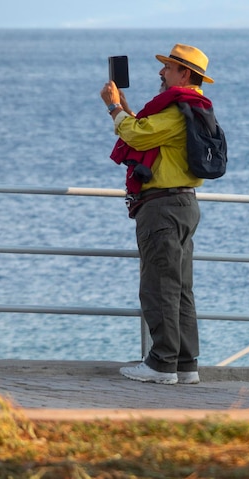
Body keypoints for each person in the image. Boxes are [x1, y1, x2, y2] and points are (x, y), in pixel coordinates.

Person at [100, 44, 216, 385]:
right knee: (180, 288)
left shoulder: (177, 111)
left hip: (163, 207)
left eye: (168, 67)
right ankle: (185, 363)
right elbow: (147, 135)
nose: (161, 73)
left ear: (185, 73)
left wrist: (112, 107)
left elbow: (136, 134)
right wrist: (123, 108)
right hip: (183, 205)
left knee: (158, 286)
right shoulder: (193, 109)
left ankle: (162, 364)